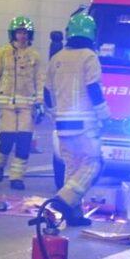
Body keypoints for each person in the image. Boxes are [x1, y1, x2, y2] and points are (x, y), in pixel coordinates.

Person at [43, 13, 109, 227]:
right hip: (85, 123)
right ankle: (63, 200)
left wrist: (54, 114)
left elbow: (46, 92)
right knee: (93, 163)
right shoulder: (89, 57)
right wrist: (104, 115)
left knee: (72, 167)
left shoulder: (57, 58)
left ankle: (73, 214)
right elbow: (93, 88)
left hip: (62, 124)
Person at [0, 16, 45, 190]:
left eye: (25, 32)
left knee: (24, 142)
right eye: (19, 32)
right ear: (13, 34)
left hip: (27, 106)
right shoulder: (3, 53)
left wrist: (40, 103)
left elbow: (40, 80)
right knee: (7, 140)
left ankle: (17, 177)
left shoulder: (35, 56)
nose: (22, 36)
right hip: (6, 104)